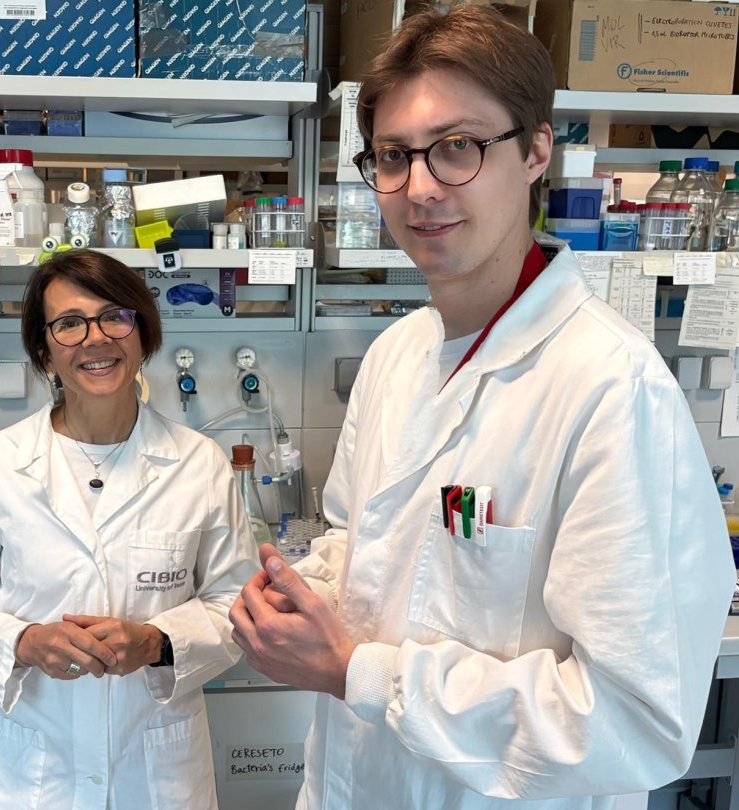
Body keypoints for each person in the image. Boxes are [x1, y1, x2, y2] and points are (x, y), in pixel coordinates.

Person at [229, 6, 735, 809]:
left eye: (457, 147)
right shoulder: (398, 356)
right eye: (393, 156)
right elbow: (365, 549)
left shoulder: (611, 387)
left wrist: (355, 672)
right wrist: (304, 598)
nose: (420, 187)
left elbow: (636, 724)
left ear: (536, 150)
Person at [0, 250, 257, 809]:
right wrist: (25, 642)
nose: (95, 338)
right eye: (69, 324)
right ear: (44, 350)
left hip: (154, 773)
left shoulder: (199, 464)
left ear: (142, 333)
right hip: (29, 775)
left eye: (115, 316)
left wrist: (158, 642)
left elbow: (236, 605)